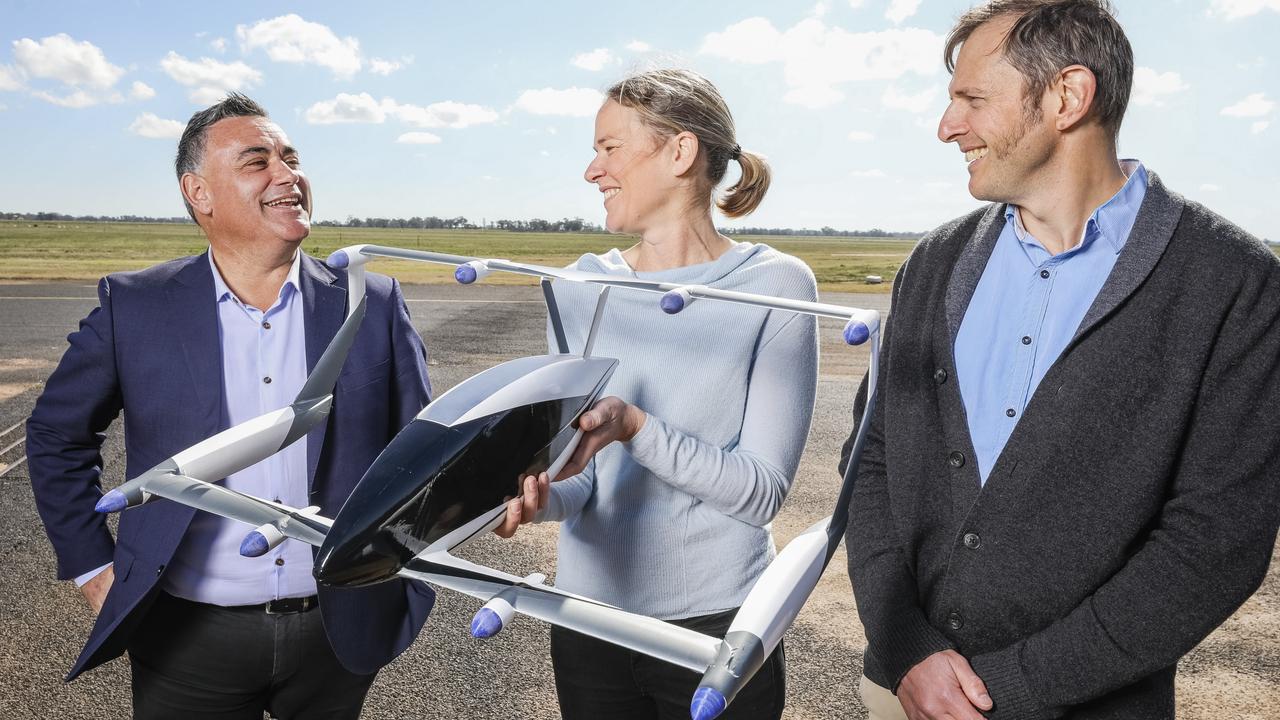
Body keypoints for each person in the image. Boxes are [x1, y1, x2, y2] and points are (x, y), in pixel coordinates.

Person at [841, 1, 1280, 719]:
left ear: (1068, 97)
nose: (947, 126)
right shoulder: (934, 263)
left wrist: (1009, 691)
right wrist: (907, 647)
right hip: (904, 694)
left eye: (972, 100)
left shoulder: (1233, 283)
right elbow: (871, 462)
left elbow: (1215, 545)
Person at [26, 93, 435, 719]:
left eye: (290, 157)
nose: (286, 174)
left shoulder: (372, 302)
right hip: (186, 636)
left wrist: (406, 571)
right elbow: (57, 434)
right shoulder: (134, 306)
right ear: (200, 193)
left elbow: (423, 450)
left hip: (339, 630)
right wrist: (91, 566)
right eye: (256, 161)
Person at [495, 68, 819, 719]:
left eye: (609, 148)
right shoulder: (575, 288)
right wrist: (537, 498)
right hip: (589, 627)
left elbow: (758, 496)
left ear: (680, 151)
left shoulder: (776, 285)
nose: (592, 171)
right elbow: (585, 484)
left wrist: (636, 426)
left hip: (717, 631)